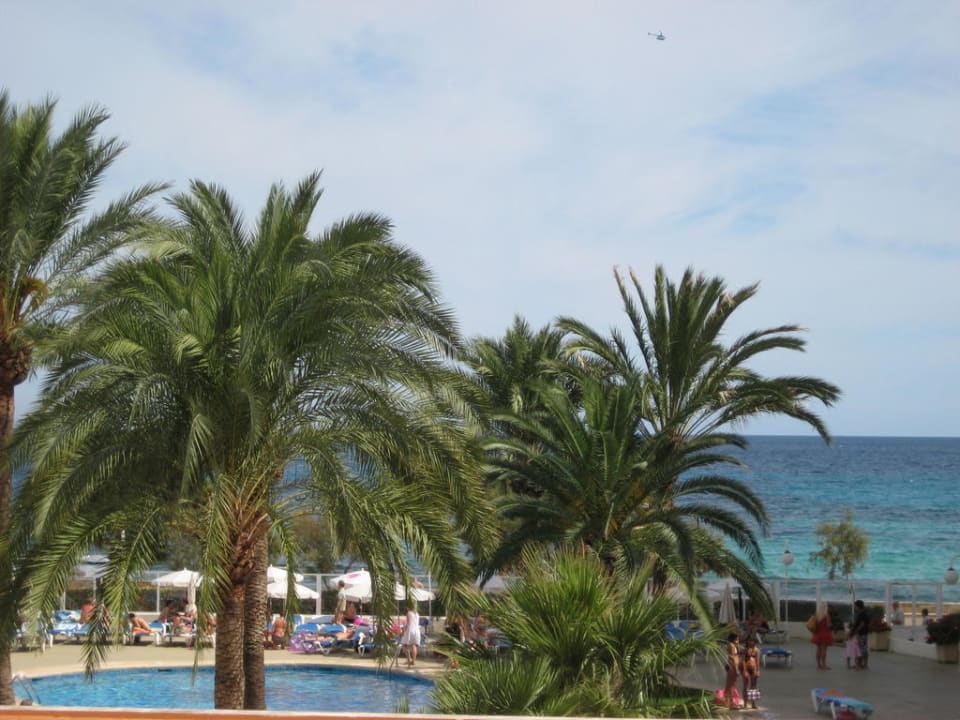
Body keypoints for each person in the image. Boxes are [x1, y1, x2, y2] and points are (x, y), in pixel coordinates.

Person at [810, 601, 833, 670]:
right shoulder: (826, 616)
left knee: (818, 650)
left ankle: (818, 665)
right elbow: (828, 626)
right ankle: (824, 665)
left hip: (818, 634)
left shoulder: (817, 615)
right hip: (825, 634)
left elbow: (815, 625)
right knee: (824, 650)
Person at [722, 632, 741, 709]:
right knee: (731, 685)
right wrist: (736, 669)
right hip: (733, 666)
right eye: (737, 639)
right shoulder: (732, 645)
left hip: (731, 666)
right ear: (733, 639)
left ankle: (727, 701)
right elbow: (733, 657)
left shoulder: (731, 645)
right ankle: (731, 703)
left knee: (730, 684)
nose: (738, 640)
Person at [741, 636, 760, 709]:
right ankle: (745, 703)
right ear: (747, 641)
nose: (751, 642)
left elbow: (757, 661)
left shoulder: (756, 650)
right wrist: (744, 671)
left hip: (754, 668)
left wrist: (758, 671)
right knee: (745, 686)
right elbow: (743, 661)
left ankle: (753, 703)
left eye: (752, 641)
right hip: (747, 668)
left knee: (754, 686)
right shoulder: (745, 650)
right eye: (749, 641)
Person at [401, 601, 421, 667]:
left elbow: (408, 623)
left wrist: (404, 629)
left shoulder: (409, 613)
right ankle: (413, 661)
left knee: (403, 645)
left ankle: (409, 659)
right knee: (414, 645)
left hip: (410, 630)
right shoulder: (417, 614)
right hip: (417, 631)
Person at [852, 599, 870, 670]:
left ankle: (858, 665)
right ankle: (865, 664)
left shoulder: (861, 614)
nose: (854, 607)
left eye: (855, 606)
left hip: (861, 633)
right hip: (865, 633)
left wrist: (856, 632)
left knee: (860, 649)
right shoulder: (865, 613)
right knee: (864, 649)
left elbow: (861, 624)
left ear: (858, 606)